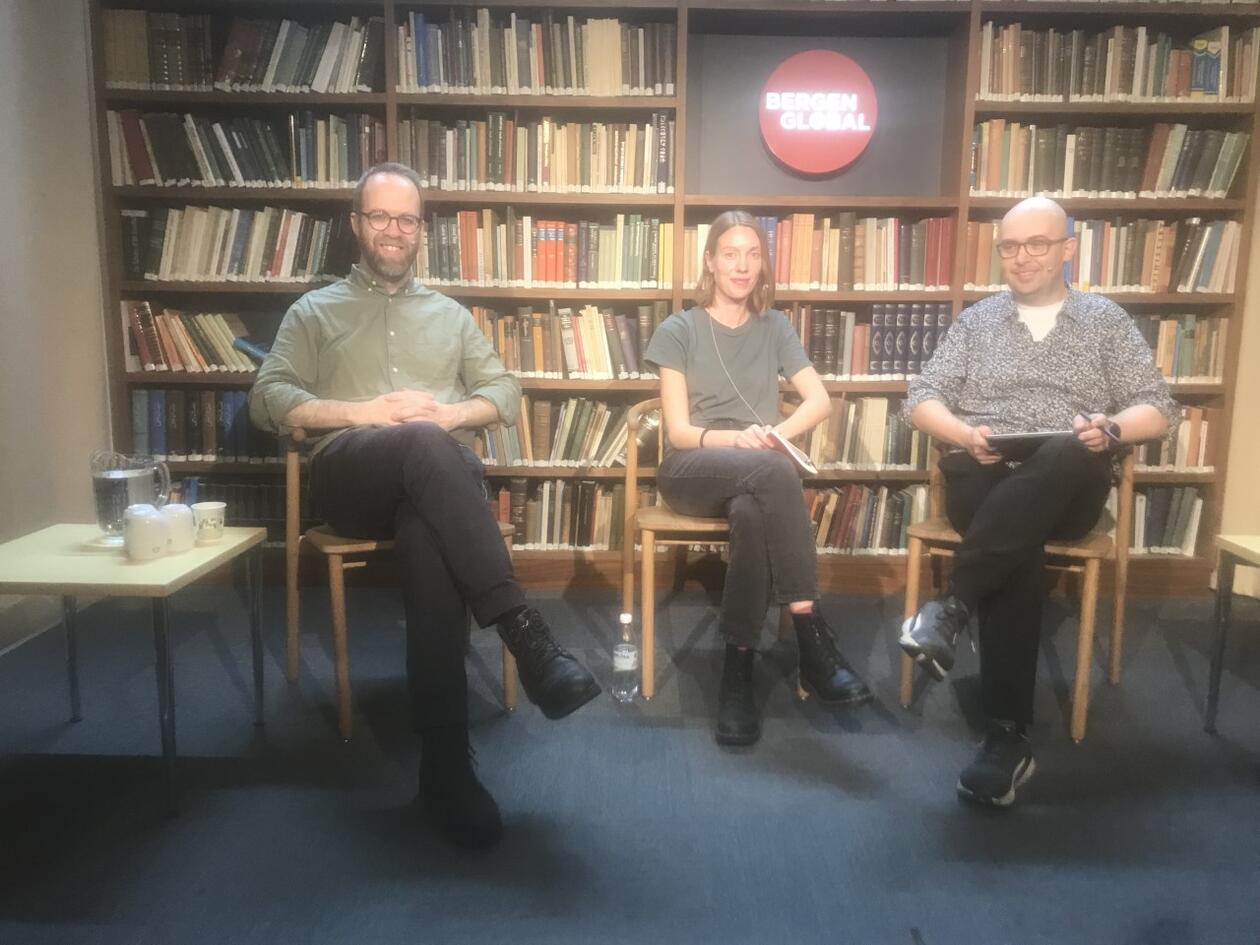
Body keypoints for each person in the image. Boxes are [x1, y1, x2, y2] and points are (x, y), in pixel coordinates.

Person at [249, 162, 600, 851]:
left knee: (429, 516)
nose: (392, 230)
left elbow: (504, 390)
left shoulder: (449, 316)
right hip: (351, 478)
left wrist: (447, 413)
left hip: (432, 490)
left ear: (420, 231)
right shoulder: (314, 311)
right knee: (419, 448)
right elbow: (268, 399)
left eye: (405, 219)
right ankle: (525, 632)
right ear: (356, 224)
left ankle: (444, 764)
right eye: (379, 216)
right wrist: (365, 412)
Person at [900, 196, 1177, 807]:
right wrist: (963, 434)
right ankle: (1007, 738)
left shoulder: (1104, 320)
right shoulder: (977, 322)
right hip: (983, 471)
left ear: (1067, 249)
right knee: (1015, 539)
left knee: (1067, 449)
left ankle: (953, 606)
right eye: (1009, 246)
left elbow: (1158, 407)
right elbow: (921, 398)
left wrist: (1108, 429)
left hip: (1071, 475)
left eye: (1037, 244)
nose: (1021, 258)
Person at [642, 210, 872, 747]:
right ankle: (811, 634)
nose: (742, 266)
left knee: (753, 508)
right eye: (730, 254)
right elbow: (678, 433)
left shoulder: (776, 327)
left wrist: (772, 434)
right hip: (694, 466)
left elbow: (819, 402)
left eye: (752, 254)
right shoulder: (679, 329)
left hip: (756, 469)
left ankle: (737, 671)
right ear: (710, 262)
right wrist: (741, 441)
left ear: (762, 264)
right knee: (771, 471)